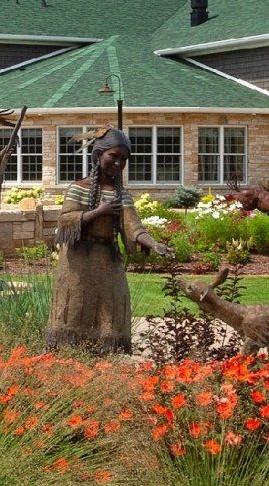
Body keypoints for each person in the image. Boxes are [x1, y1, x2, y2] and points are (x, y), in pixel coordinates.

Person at [46, 127, 173, 352]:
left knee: (110, 311)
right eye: (113, 157)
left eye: (123, 159)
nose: (118, 163)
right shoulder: (78, 188)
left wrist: (153, 243)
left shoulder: (121, 194)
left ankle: (104, 357)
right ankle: (68, 358)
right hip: (77, 263)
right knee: (75, 308)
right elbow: (65, 221)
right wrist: (99, 211)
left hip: (108, 262)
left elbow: (134, 227)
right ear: (97, 156)